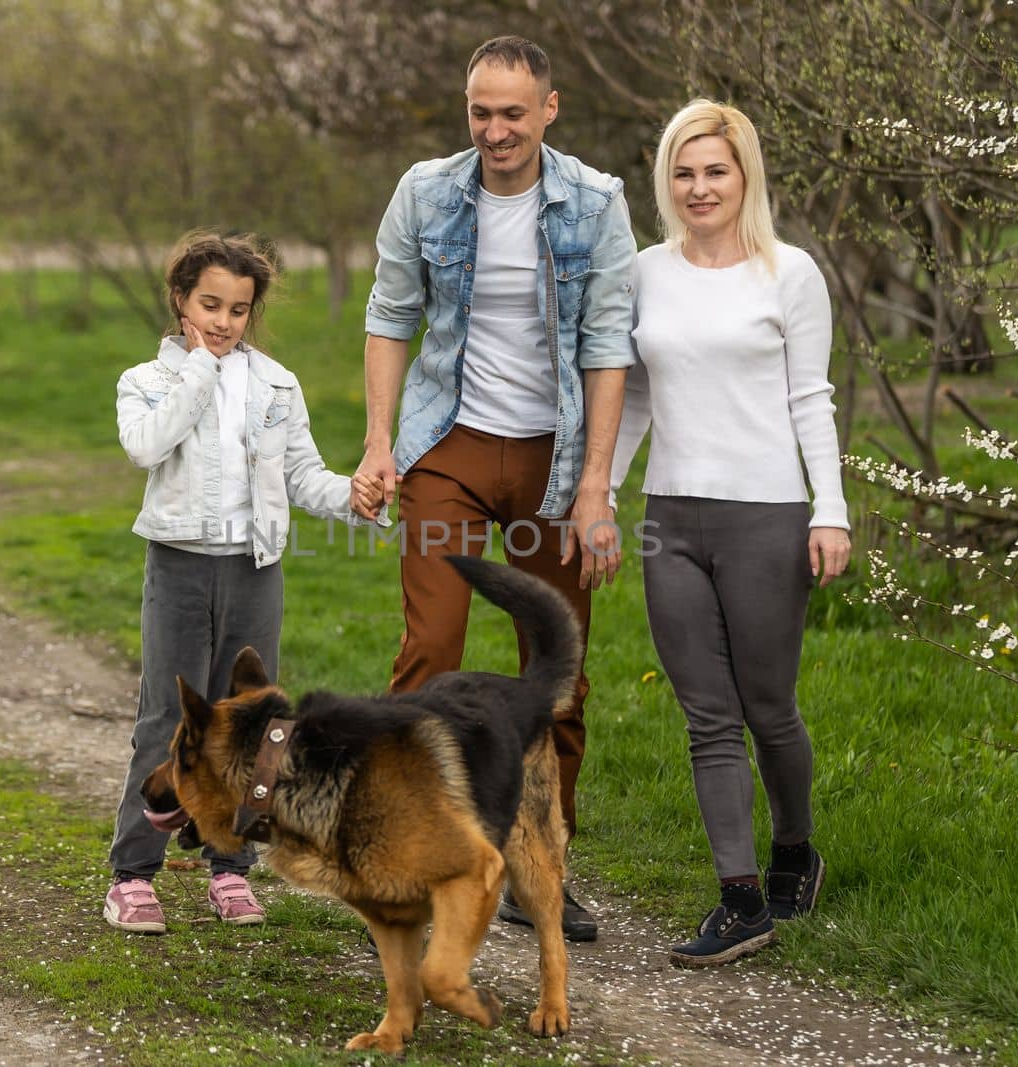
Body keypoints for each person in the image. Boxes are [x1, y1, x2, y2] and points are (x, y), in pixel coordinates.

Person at [349, 35, 637, 942]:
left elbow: (607, 343)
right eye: (481, 111)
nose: (496, 129)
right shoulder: (426, 192)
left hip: (555, 462)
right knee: (430, 649)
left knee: (558, 674)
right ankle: (411, 853)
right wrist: (378, 444)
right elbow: (392, 316)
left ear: (549, 108)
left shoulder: (595, 203)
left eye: (514, 112)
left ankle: (538, 870)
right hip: (451, 449)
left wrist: (595, 488)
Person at [610, 99, 852, 967]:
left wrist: (831, 509)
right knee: (707, 718)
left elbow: (810, 400)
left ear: (744, 175)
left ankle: (796, 848)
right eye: (684, 171)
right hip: (670, 519)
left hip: (767, 519)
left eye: (715, 170)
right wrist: (600, 493)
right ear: (665, 182)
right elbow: (633, 397)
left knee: (768, 709)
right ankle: (740, 898)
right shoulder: (644, 273)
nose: (699, 186)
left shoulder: (791, 273)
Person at [104, 231, 382, 933]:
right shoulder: (148, 381)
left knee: (261, 730)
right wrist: (200, 370)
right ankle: (135, 875)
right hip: (179, 567)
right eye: (210, 304)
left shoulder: (277, 384)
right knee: (166, 722)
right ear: (180, 300)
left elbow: (301, 476)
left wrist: (351, 494)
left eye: (238, 309)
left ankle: (230, 870)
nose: (224, 321)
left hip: (255, 571)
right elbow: (146, 444)